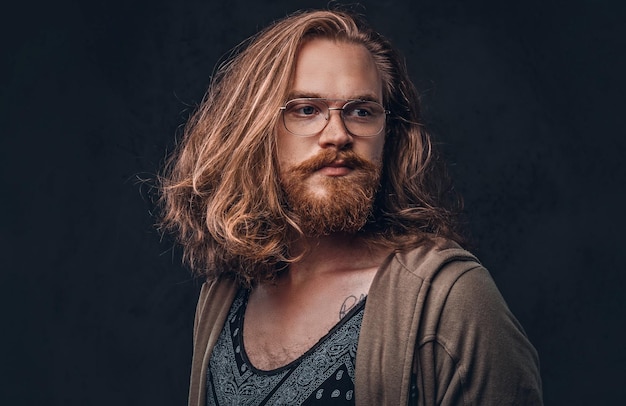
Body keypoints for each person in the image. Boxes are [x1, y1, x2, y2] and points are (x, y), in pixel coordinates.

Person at [158, 9, 543, 406]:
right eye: (306, 109)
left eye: (362, 111)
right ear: (254, 131)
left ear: (389, 134)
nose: (339, 135)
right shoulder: (224, 295)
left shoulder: (449, 300)